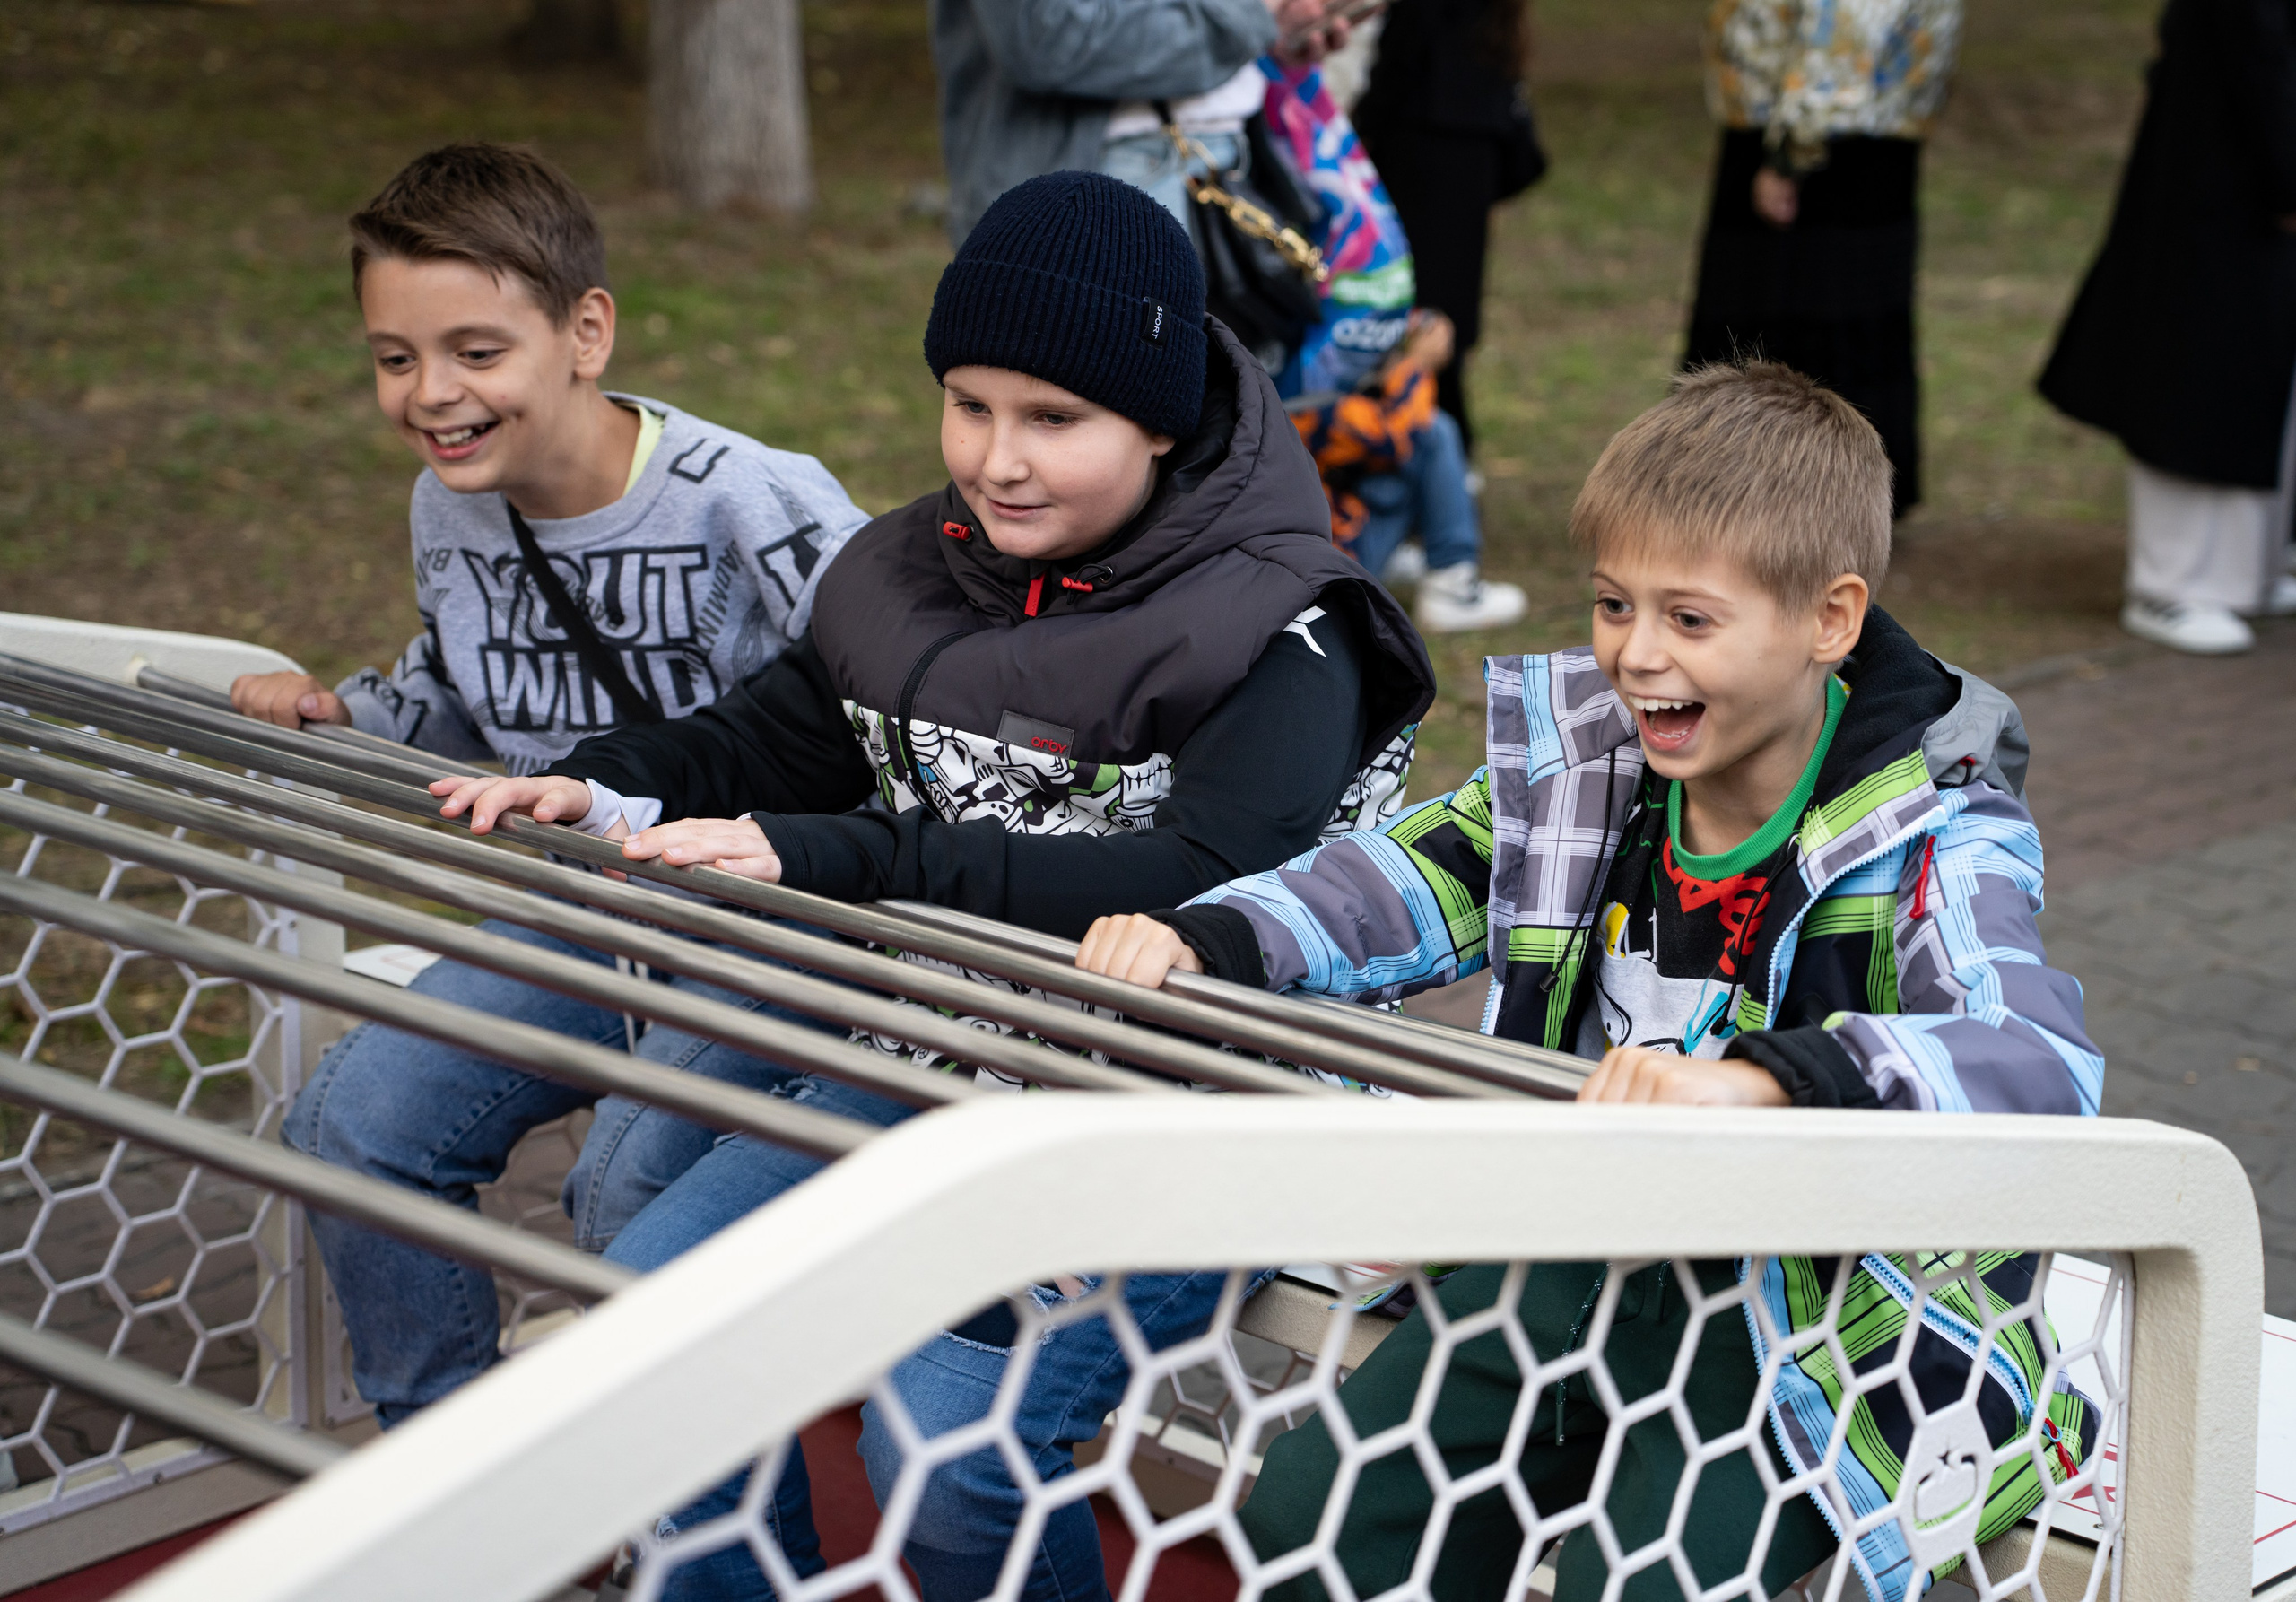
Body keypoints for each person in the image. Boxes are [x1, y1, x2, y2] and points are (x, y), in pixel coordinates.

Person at [437, 171, 1439, 1601]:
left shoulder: (1289, 627)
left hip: (1181, 1108)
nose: (998, 459)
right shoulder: (920, 560)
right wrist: (603, 782)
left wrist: (848, 853)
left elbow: (1195, 880)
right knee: (650, 1312)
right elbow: (783, 732)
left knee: (950, 1454)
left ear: (1161, 422)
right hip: (944, 1053)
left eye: (1054, 420)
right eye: (969, 404)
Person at [1077, 363, 2104, 1602]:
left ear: (1829, 621)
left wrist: (1770, 1084)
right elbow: (1408, 875)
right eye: (1615, 604)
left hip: (1808, 1313)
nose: (1636, 654)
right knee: (1323, 1520)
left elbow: (2035, 1056)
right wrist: (1216, 936)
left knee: (1647, 1578)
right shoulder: (1593, 771)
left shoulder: (1936, 831)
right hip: (1580, 1247)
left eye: (1690, 618)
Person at [252, 143, 867, 1426]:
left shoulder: (752, 501)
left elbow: (901, 706)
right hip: (584, 909)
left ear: (586, 332)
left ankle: (680, 1507)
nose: (433, 393)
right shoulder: (450, 505)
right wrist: (346, 710)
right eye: (395, 357)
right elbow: (461, 688)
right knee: (354, 1130)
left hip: (762, 926)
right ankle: (466, 1492)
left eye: (478, 351)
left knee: (618, 1208)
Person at [2039, 0, 2296, 656]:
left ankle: (2248, 571)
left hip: (2241, 182)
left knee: (2257, 376)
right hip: (2226, 185)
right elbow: (2256, 47)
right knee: (2202, 375)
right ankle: (2172, 586)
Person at [1260, 60, 1528, 630]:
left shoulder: (1276, 377)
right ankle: (1454, 580)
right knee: (1433, 433)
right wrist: (1415, 364)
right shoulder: (1295, 412)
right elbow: (1396, 429)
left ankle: (1423, 555)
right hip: (1329, 567)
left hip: (1322, 540)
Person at [1683, 0, 1961, 518]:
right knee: (1829, 332)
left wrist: (1791, 154)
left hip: (1821, 140)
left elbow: (1847, 26)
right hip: (1840, 128)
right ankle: (1813, 505)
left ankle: (1798, 508)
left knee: (1798, 333)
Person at [931, 0, 1352, 246]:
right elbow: (1042, 35)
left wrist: (1278, 28)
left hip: (1224, 167)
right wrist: (1253, 17)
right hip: (1101, 187)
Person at [1349, 0, 1546, 457]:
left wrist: (1362, 131)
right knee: (1447, 313)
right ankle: (1448, 451)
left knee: (1414, 314)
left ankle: (1432, 449)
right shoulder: (1496, 24)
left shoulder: (1422, 16)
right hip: (1471, 152)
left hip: (1416, 154)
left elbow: (1395, 70)